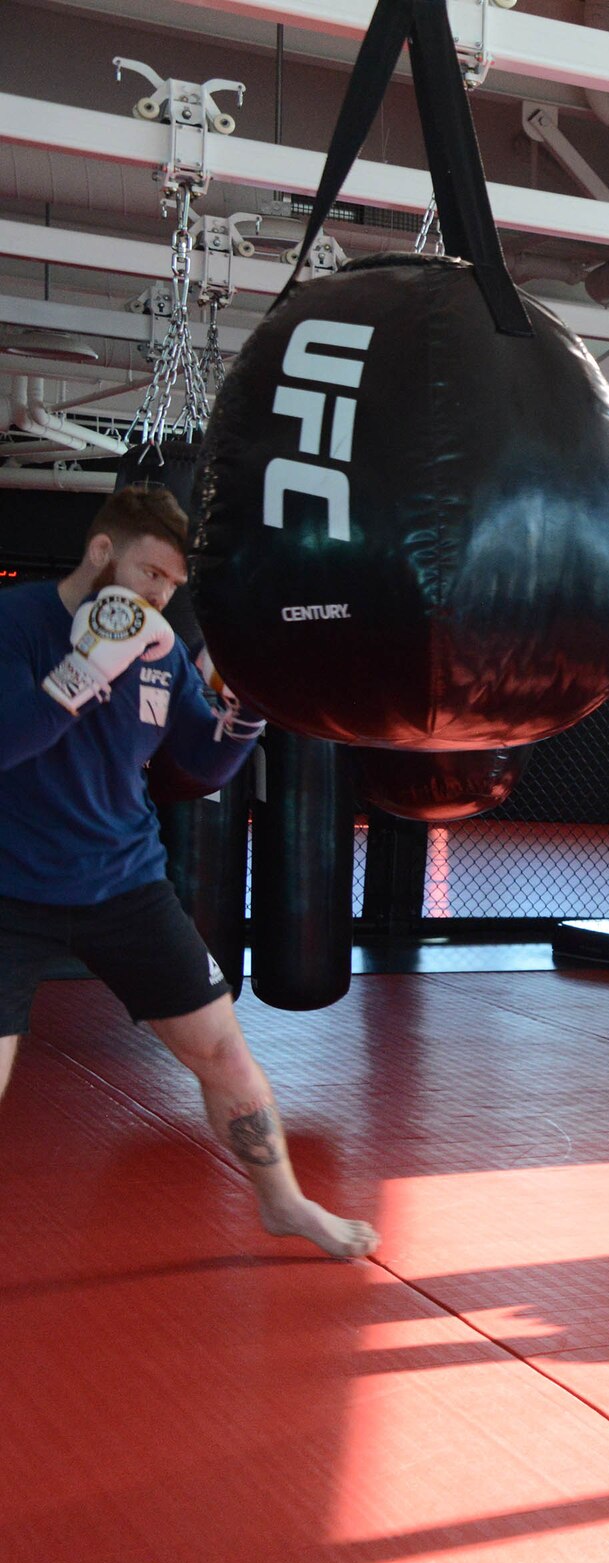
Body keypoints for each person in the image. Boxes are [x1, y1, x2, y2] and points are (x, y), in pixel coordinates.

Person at [0, 485, 378, 1262]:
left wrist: (245, 715)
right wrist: (82, 672)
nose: (160, 596)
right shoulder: (15, 623)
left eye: (173, 584)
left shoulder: (163, 648)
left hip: (127, 886)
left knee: (225, 1053)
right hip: (10, 892)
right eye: (149, 574)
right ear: (103, 552)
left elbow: (201, 762)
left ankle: (285, 1203)